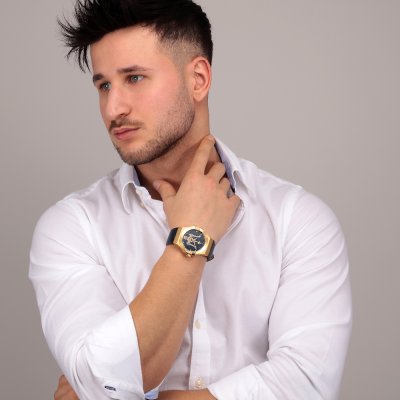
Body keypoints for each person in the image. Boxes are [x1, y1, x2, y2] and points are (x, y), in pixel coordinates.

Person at [29, 0, 352, 399]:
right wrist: (191, 237)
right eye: (104, 85)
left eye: (134, 78)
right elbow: (102, 381)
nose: (113, 108)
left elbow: (307, 387)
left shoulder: (297, 220)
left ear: (198, 79)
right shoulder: (72, 227)